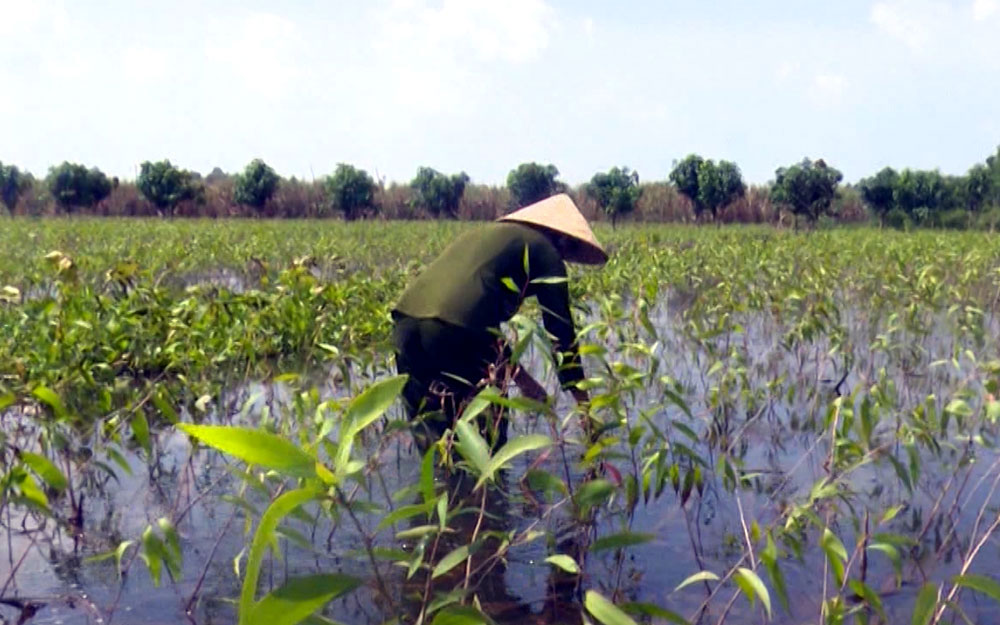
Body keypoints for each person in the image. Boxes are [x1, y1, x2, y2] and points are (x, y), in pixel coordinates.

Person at [391, 193, 607, 445]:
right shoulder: (546, 251)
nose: (566, 258)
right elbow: (561, 332)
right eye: (570, 249)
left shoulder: (485, 236)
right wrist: (584, 406)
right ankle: (488, 484)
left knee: (433, 438)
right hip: (455, 331)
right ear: (562, 239)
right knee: (486, 437)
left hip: (404, 325)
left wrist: (523, 380)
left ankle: (446, 484)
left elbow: (482, 327)